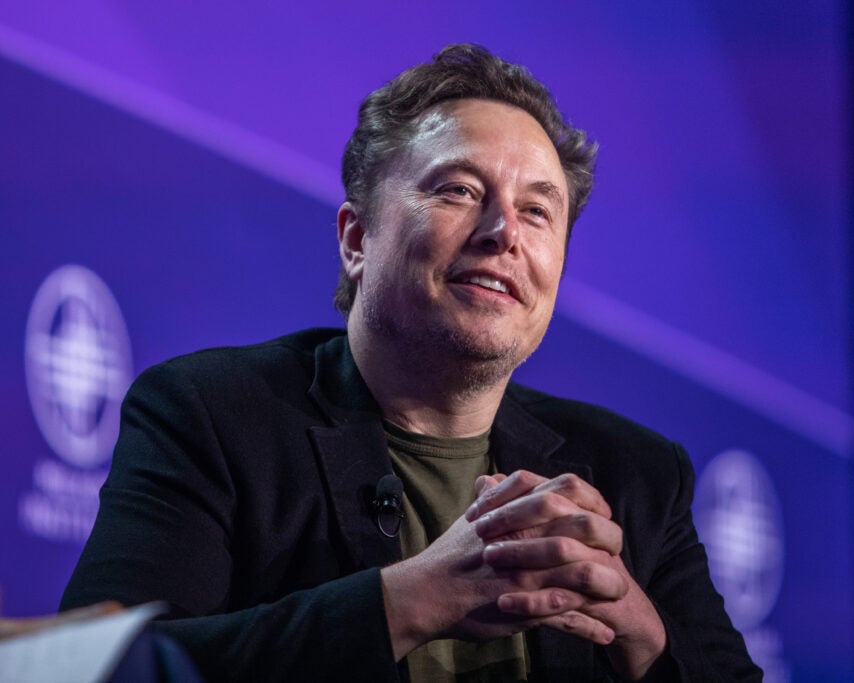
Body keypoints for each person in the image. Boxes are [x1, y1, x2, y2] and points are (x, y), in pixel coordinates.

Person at [61, 44, 761, 682]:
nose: (503, 234)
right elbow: (101, 670)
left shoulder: (634, 474)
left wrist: (638, 625)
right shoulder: (210, 415)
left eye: (538, 211)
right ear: (356, 237)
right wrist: (410, 599)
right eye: (458, 190)